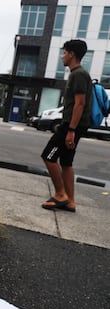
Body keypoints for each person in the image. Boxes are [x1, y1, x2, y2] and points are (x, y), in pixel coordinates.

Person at [41, 39, 92, 213]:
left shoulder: (78, 74)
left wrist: (71, 130)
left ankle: (60, 194)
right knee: (67, 162)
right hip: (75, 125)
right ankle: (70, 201)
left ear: (71, 54)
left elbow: (80, 104)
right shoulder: (79, 74)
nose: (62, 56)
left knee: (48, 156)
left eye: (64, 52)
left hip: (71, 125)